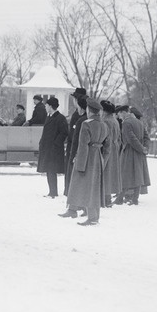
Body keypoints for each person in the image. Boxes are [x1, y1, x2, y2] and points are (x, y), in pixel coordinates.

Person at [60, 98, 110, 226]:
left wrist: (80, 164)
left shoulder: (87, 124)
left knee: (79, 184)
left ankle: (79, 212)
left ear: (89, 110)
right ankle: (92, 216)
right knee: (94, 188)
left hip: (86, 157)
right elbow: (107, 147)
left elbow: (83, 145)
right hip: (97, 157)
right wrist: (103, 160)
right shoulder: (104, 125)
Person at [36, 97, 69, 198]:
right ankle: (51, 192)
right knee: (48, 170)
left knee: (52, 170)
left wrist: (56, 144)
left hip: (54, 149)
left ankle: (53, 192)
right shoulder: (49, 116)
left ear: (50, 106)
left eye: (46, 105)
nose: (45, 107)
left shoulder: (60, 118)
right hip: (46, 148)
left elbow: (64, 133)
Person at [118, 105, 150, 205]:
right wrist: (145, 148)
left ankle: (120, 198)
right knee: (138, 176)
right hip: (140, 153)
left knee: (126, 175)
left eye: (119, 113)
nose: (118, 116)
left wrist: (141, 148)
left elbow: (131, 138)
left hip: (130, 151)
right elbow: (146, 137)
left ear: (123, 112)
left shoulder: (126, 123)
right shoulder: (140, 122)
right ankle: (134, 198)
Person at [63, 94, 88, 199]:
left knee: (75, 177)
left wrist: (74, 154)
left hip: (77, 152)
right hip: (76, 151)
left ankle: (74, 204)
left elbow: (76, 138)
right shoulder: (81, 117)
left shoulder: (81, 120)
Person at [100, 100, 122, 207]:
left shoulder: (105, 121)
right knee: (110, 174)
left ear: (104, 111)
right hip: (114, 149)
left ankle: (105, 200)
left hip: (107, 149)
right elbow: (119, 138)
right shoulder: (115, 121)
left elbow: (105, 137)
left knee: (105, 174)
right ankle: (107, 199)